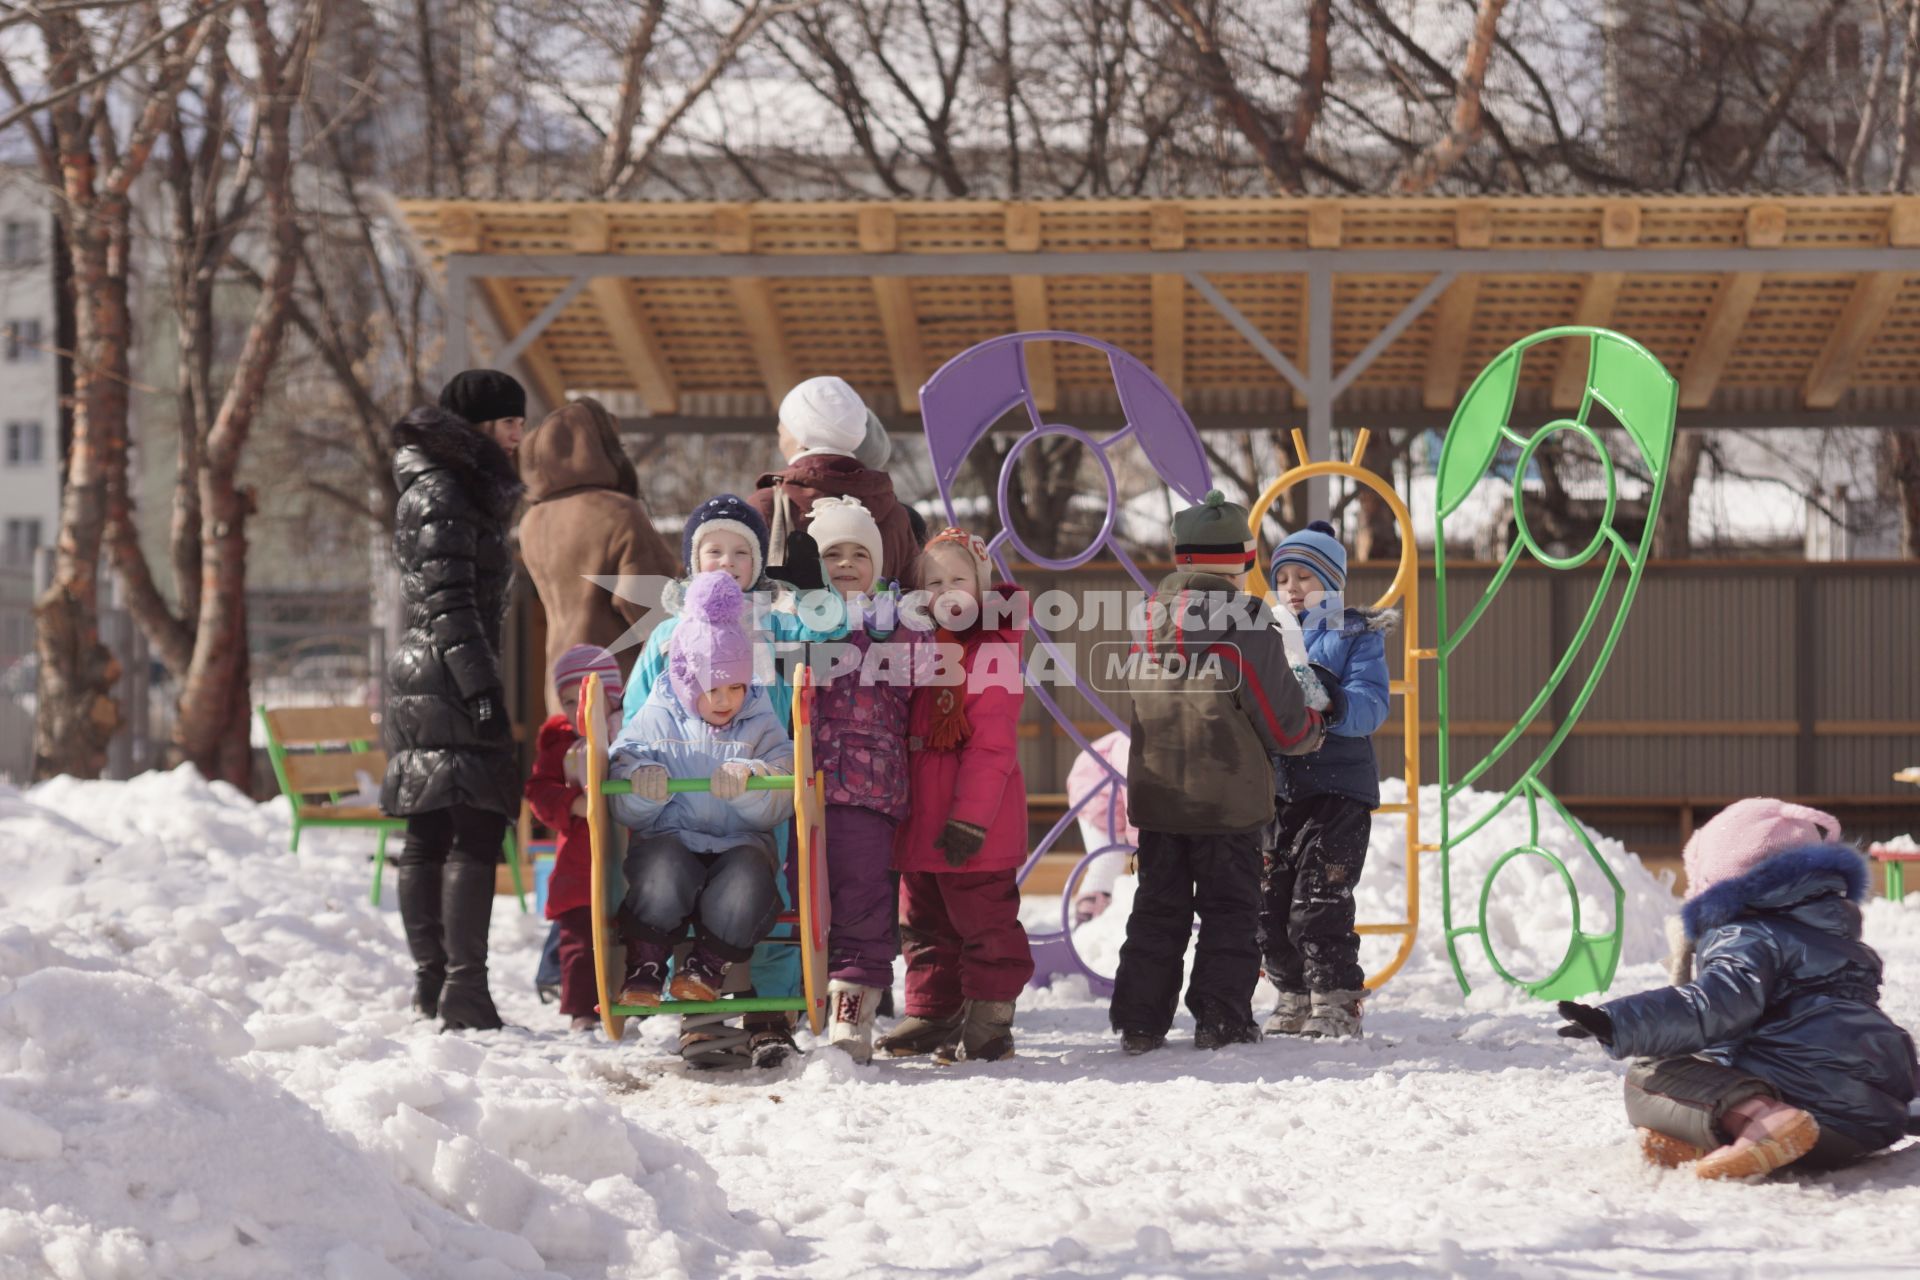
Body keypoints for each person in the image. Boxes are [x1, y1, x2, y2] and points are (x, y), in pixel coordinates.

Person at [1557, 800, 1919, 1179]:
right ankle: (1713, 1138)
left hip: (1811, 1110)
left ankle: (1766, 1121)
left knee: (1651, 1074)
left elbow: (1713, 1007)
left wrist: (1615, 1022)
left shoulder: (1745, 933)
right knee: (1732, 1066)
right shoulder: (1841, 940)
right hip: (1873, 1121)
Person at [1110, 490, 1325, 1055]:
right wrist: (1314, 727)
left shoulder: (1143, 618)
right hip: (1229, 803)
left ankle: (1139, 1020)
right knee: (1230, 913)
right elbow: (1281, 722)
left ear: (1180, 557)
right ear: (1244, 560)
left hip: (1158, 798)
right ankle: (1221, 1017)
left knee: (1158, 909)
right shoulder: (1248, 621)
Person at [381, 373, 527, 1033]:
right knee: (468, 826)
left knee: (432, 828)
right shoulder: (445, 489)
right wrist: (480, 685)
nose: (520, 436)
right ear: (477, 426)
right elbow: (450, 597)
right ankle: (461, 988)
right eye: (509, 424)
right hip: (448, 670)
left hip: (431, 667)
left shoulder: (444, 484)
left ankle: (437, 984)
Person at [879, 528, 1035, 1063]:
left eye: (958, 580)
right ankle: (931, 1010)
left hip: (975, 824)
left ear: (982, 587)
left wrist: (971, 820)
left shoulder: (993, 652)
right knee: (923, 922)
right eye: (934, 582)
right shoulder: (917, 648)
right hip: (920, 817)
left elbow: (992, 748)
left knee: (983, 920)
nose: (947, 592)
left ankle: (991, 1017)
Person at [607, 573, 795, 1012]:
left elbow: (784, 783)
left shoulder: (760, 719)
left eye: (736, 686)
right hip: (671, 835)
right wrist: (643, 782)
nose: (727, 699)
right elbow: (623, 771)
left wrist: (752, 778)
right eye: (713, 688)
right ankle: (647, 964)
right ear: (687, 682)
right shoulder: (658, 717)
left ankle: (707, 966)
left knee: (748, 881)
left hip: (740, 841)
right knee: (661, 872)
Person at [799, 497, 924, 1062]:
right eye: (831, 554)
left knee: (863, 897)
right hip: (802, 782)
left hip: (869, 786)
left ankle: (853, 1008)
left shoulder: (898, 623)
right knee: (799, 891)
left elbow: (917, 676)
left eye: (859, 554)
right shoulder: (795, 618)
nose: (846, 564)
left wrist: (876, 629)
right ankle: (787, 999)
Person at [1260, 520, 1394, 1040]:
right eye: (1284, 577)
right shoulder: (1266, 634)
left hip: (1338, 791)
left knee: (1320, 900)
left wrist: (1331, 701)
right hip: (1281, 792)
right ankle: (1292, 992)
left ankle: (1336, 998)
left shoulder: (1352, 634)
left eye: (1305, 578)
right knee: (1270, 904)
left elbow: (1371, 705)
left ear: (1332, 584)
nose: (1293, 588)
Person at [517, 398, 678, 713]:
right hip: (619, 682)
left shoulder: (531, 522)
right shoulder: (617, 511)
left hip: (561, 678)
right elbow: (649, 603)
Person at [524, 645, 624, 1033]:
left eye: (588, 700)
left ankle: (627, 1003)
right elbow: (538, 790)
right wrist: (574, 801)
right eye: (568, 701)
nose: (577, 711)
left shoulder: (630, 734)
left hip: (625, 857)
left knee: (629, 936)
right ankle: (583, 1011)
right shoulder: (560, 744)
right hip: (578, 865)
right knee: (580, 942)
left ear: (613, 699)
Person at [748, 376, 919, 586]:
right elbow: (913, 593)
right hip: (882, 620)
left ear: (802, 434)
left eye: (783, 428)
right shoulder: (895, 512)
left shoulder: (768, 504)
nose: (780, 436)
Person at [1063, 730, 1136, 923]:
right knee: (1108, 859)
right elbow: (1136, 798)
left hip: (1114, 795)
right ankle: (1087, 916)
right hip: (1095, 793)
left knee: (1112, 860)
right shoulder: (1132, 747)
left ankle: (1098, 909)